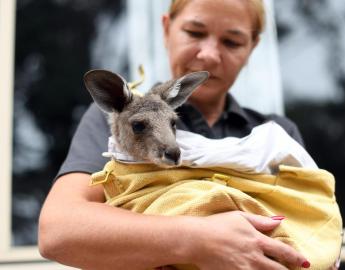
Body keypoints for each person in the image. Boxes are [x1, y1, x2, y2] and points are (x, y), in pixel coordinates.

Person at [38, 0, 320, 269]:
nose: (209, 55)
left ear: (253, 46)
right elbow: (58, 230)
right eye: (194, 32)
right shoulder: (117, 122)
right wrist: (198, 239)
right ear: (166, 29)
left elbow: (312, 224)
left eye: (232, 41)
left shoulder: (272, 136)